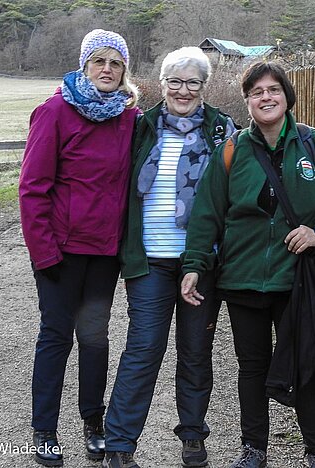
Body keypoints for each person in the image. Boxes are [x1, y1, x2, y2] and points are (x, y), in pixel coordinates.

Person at [181, 61, 315, 468]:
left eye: (273, 89)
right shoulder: (231, 150)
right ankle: (254, 448)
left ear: (286, 96)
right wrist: (194, 264)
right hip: (242, 279)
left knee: (306, 364)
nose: (266, 97)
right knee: (252, 367)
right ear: (247, 101)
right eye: (257, 91)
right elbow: (207, 213)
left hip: (298, 280)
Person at [102, 46, 237, 468]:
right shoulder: (140, 127)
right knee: (143, 349)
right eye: (174, 81)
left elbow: (232, 195)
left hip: (201, 260)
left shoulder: (222, 130)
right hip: (150, 262)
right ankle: (120, 445)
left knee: (196, 350)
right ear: (161, 84)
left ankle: (193, 436)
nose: (183, 90)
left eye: (192, 82)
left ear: (204, 86)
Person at [19, 29, 139, 467]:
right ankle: (44, 431)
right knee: (56, 336)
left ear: (125, 70)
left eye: (115, 63)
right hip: (61, 251)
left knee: (94, 338)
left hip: (105, 252)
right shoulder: (54, 112)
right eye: (99, 62)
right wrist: (44, 253)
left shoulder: (130, 118)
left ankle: (94, 423)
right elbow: (32, 188)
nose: (107, 70)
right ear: (84, 66)